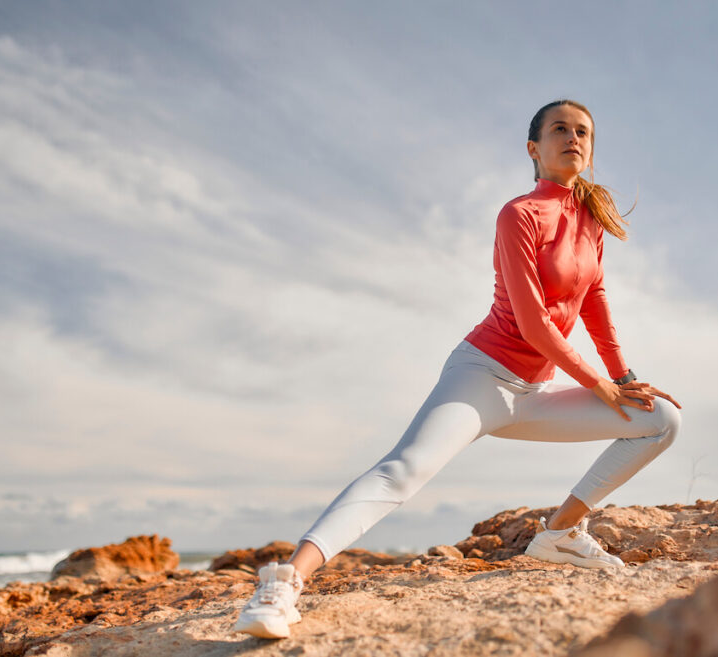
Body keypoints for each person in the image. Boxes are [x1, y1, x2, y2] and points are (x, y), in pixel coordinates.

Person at [234, 99, 682, 639]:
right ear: (533, 148)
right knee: (403, 470)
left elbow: (596, 303)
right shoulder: (518, 214)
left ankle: (559, 535)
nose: (574, 137)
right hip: (483, 376)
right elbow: (533, 322)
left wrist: (626, 380)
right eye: (559, 129)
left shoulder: (591, 222)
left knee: (659, 418)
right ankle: (283, 584)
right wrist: (600, 384)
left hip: (537, 392)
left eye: (583, 131)